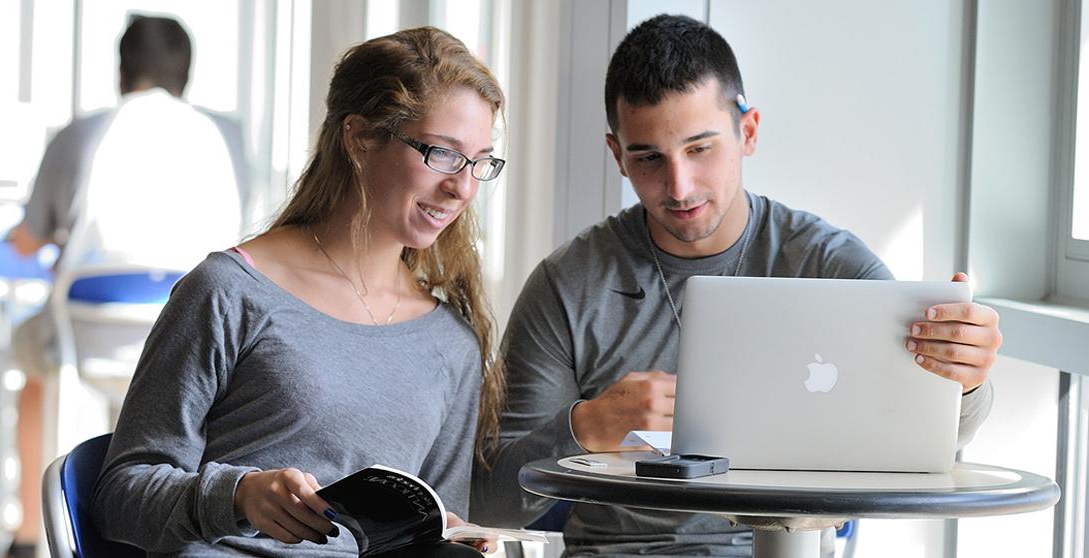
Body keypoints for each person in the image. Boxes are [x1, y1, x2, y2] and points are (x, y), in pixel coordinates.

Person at [471, 14, 1001, 557]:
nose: (679, 186)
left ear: (747, 132)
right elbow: (487, 503)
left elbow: (925, 446)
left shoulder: (829, 265)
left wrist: (966, 379)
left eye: (700, 148)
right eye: (648, 157)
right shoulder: (568, 286)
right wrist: (583, 427)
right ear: (617, 156)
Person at [92, 26, 506, 557]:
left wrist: (456, 538)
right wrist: (238, 496)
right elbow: (117, 499)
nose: (463, 187)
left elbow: (431, 526)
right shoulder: (229, 292)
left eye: (478, 162)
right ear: (358, 138)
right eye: (442, 154)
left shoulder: (451, 343)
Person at [2, 16, 243, 557]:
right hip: (193, 353)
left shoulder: (82, 132)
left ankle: (25, 532)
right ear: (187, 74)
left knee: (30, 366)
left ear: (120, 69)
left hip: (88, 340)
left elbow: (27, 239)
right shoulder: (222, 139)